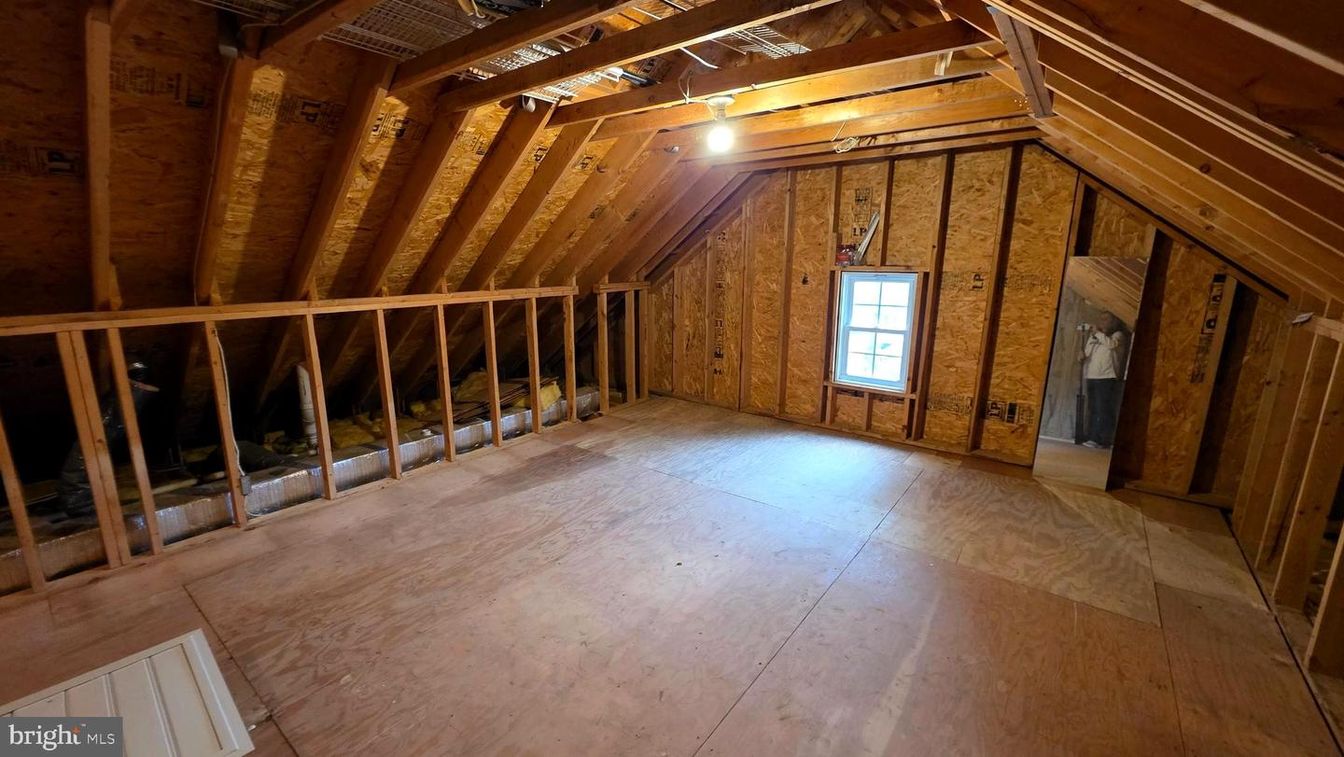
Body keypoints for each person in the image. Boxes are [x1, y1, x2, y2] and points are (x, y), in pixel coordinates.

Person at [1078, 313, 1126, 449]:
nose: (1102, 322)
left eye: (1106, 320)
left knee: (1102, 409)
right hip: (1091, 376)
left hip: (1106, 377)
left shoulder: (1118, 335)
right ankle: (1093, 437)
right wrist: (1081, 355)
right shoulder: (1096, 336)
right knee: (1093, 408)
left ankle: (1100, 439)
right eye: (1101, 319)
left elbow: (1111, 345)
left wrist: (1097, 332)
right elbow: (1087, 353)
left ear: (1114, 322)